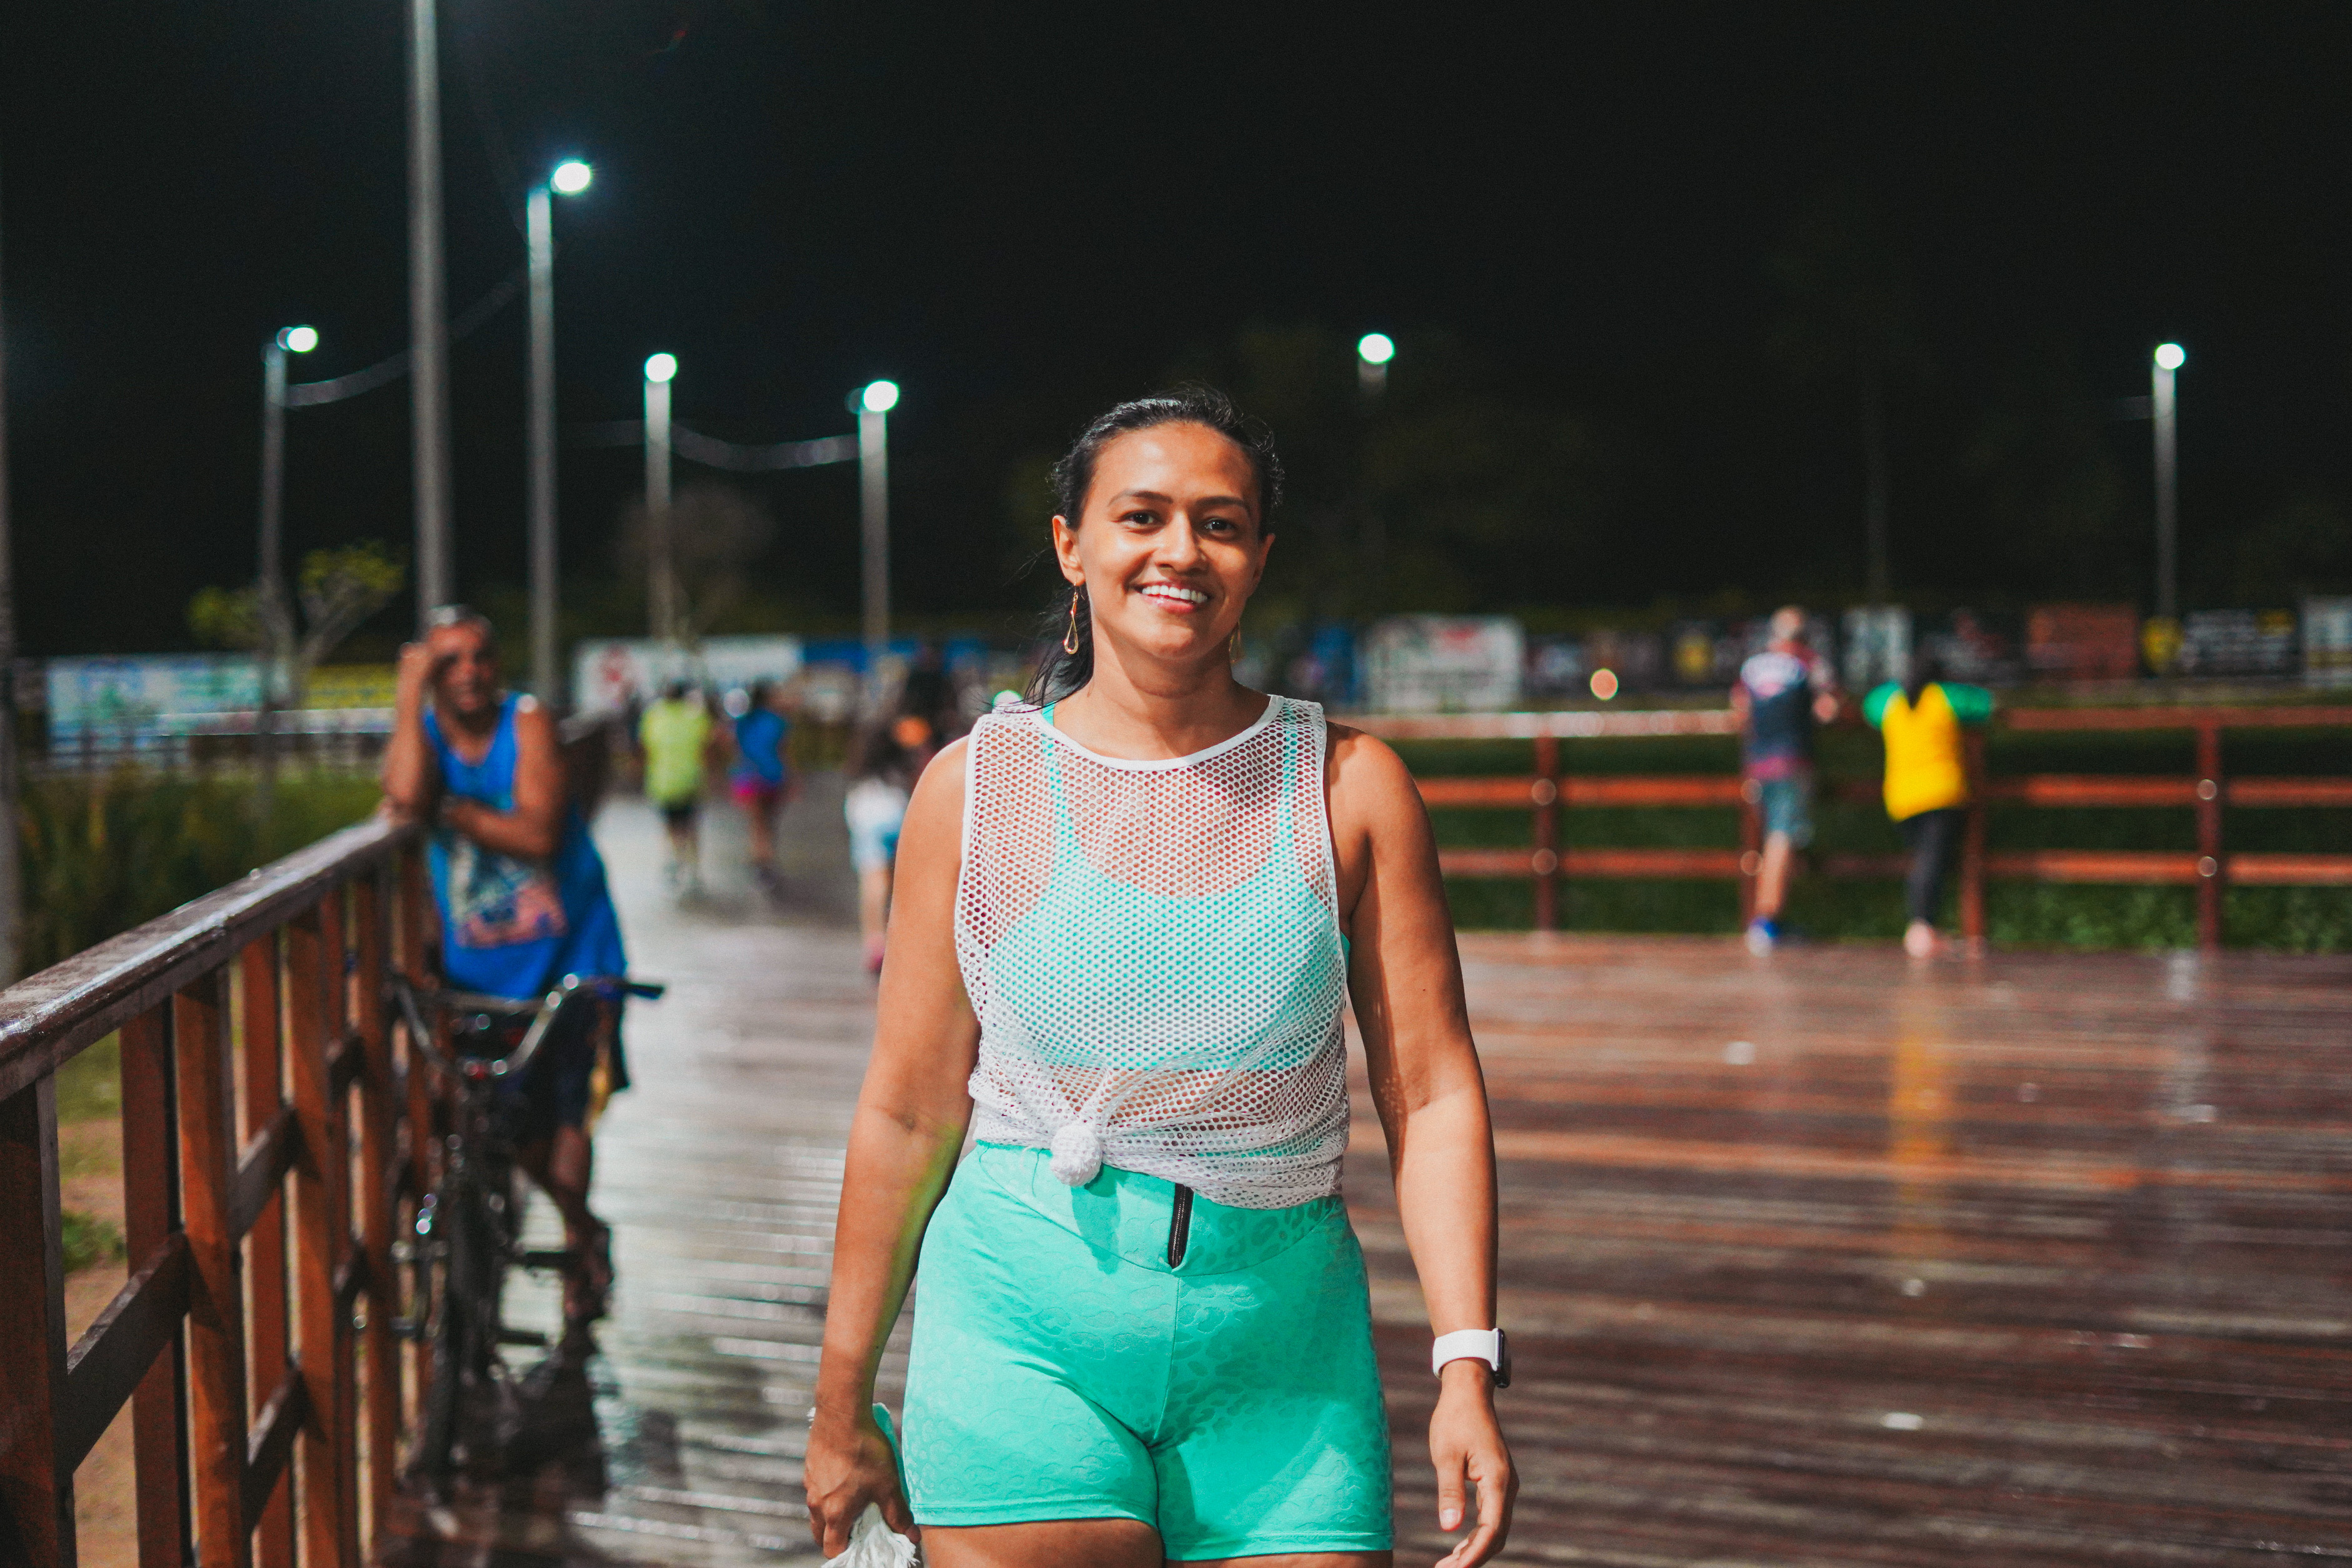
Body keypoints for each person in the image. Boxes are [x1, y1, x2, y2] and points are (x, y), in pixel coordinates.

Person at [805, 389, 1516, 1568]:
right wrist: (841, 1405)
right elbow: (906, 1107)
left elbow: (1433, 1091)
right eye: (1140, 515)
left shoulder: (1350, 787)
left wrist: (1466, 1363)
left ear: (1259, 559)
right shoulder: (971, 788)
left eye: (1220, 522)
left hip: (1282, 1354)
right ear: (1071, 545)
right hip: (1022, 1326)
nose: (1179, 549)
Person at [381, 607, 629, 1322]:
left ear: (499, 663)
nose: (467, 674)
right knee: (504, 1130)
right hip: (476, 972)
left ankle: (582, 1240)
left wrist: (448, 809)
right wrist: (408, 698)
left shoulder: (526, 723)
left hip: (569, 957)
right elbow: (402, 796)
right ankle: (525, 1257)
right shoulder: (424, 734)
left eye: (479, 657)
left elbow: (537, 832)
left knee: (564, 1125)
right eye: (446, 662)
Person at [1864, 654, 1994, 957]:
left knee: (1925, 860)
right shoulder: (1945, 696)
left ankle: (1925, 926)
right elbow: (1986, 704)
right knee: (1932, 861)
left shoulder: (1890, 700)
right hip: (1941, 792)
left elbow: (1868, 705)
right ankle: (1922, 928)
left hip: (1901, 796)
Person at [1732, 605, 1841, 953]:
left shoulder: (1753, 666)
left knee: (1772, 838)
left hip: (1757, 763)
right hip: (1792, 760)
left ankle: (1770, 918)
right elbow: (1829, 708)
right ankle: (1765, 922)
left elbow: (1740, 710)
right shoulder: (1809, 663)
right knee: (1783, 837)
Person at [842, 708, 935, 975]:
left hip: (866, 810)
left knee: (872, 880)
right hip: (897, 810)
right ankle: (896, 942)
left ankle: (875, 941)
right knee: (898, 881)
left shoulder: (864, 752)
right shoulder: (902, 744)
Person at [638, 680, 715, 889]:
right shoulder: (697, 717)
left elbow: (644, 747)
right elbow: (707, 748)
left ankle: (674, 860)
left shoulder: (653, 717)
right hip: (691, 780)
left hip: (662, 782)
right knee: (691, 826)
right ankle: (693, 867)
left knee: (670, 825)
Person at [728, 679, 796, 890]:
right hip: (772, 778)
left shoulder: (743, 722)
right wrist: (794, 779)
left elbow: (735, 751)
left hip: (748, 779)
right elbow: (785, 753)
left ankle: (760, 863)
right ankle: (767, 862)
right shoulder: (778, 722)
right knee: (769, 824)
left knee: (756, 825)